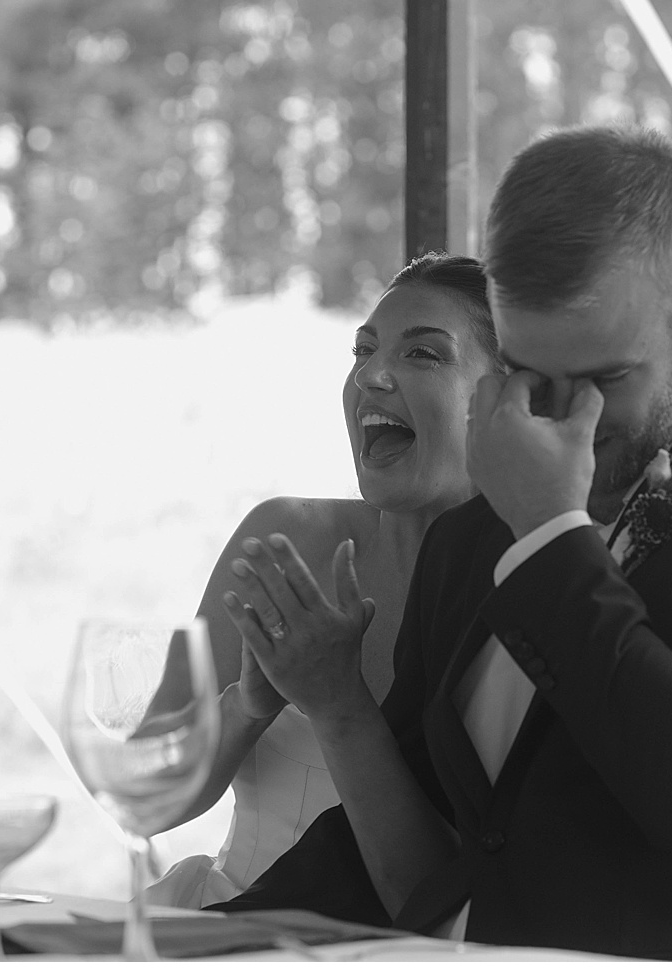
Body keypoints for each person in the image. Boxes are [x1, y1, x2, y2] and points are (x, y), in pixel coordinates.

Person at [222, 125, 672, 961]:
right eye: (524, 370)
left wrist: (552, 534)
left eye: (602, 378)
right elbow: (404, 836)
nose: (558, 412)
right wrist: (180, 945)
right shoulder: (477, 529)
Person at [148, 254, 502, 907]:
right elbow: (141, 798)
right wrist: (249, 705)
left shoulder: (531, 587)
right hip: (231, 931)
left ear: (502, 393)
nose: (371, 374)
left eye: (423, 354)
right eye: (362, 349)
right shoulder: (288, 541)